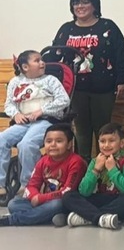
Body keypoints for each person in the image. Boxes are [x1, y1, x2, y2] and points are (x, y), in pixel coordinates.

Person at [48, 0, 124, 162]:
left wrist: (122, 80)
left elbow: (121, 54)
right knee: (81, 130)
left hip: (104, 88)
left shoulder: (108, 26)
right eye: (76, 2)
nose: (80, 6)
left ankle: (105, 167)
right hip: (75, 89)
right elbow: (54, 57)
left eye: (85, 2)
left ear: (95, 5)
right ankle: (82, 166)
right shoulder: (66, 29)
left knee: (103, 129)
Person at [0, 50, 70, 200]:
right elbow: (9, 104)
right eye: (37, 61)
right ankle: (1, 185)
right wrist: (16, 114)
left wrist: (42, 110)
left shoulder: (50, 80)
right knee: (1, 139)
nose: (42, 63)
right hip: (23, 122)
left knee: (26, 144)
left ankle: (29, 185)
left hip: (45, 120)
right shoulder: (15, 82)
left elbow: (64, 100)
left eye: (42, 60)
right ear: (25, 67)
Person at [0, 124, 86, 227]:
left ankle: (13, 220)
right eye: (49, 141)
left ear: (69, 144)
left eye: (59, 141)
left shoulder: (76, 161)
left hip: (66, 201)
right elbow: (31, 185)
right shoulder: (43, 160)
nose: (53, 144)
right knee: (13, 204)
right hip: (45, 202)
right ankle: (53, 216)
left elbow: (68, 191)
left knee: (57, 204)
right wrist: (34, 196)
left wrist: (40, 198)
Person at [62, 123, 124, 229]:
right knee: (68, 196)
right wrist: (96, 169)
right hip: (100, 198)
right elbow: (84, 191)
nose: (106, 145)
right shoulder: (95, 161)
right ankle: (100, 218)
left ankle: (87, 217)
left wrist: (112, 169)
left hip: (119, 199)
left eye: (111, 141)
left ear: (122, 143)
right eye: (102, 141)